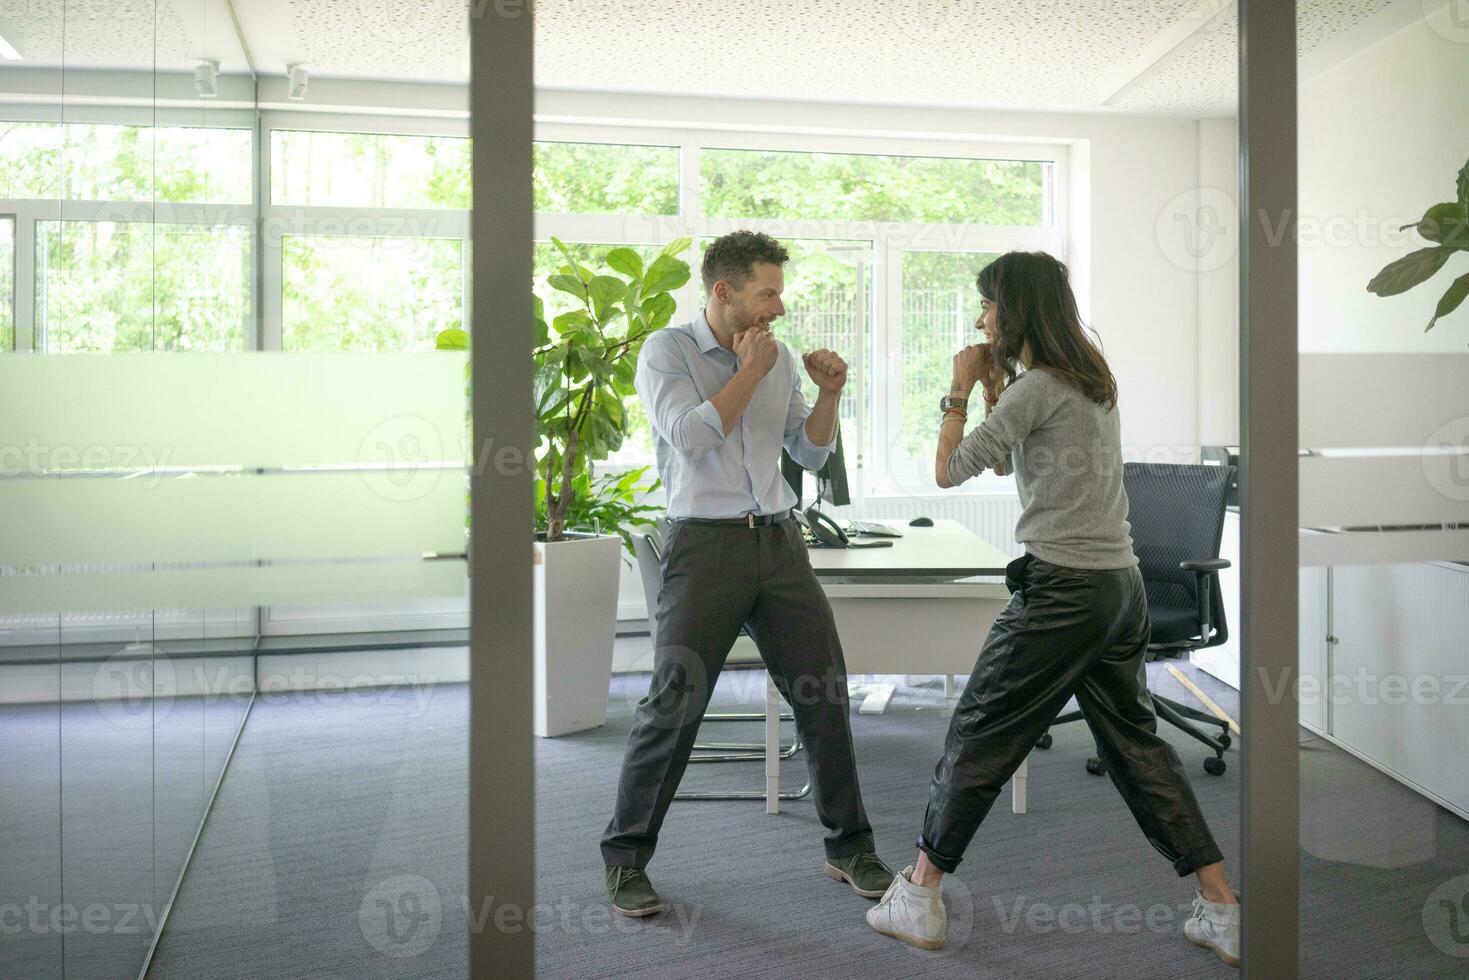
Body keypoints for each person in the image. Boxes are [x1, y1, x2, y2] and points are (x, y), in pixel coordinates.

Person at [864, 251, 1241, 968]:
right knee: (1137, 749)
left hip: (1063, 590)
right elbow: (1006, 459)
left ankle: (918, 896)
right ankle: (1221, 907)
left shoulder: (1036, 386)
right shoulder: (1089, 378)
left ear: (1013, 310)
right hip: (1118, 588)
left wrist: (956, 385)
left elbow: (947, 472)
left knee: (978, 734)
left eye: (986, 305)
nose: (978, 319)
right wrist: (991, 390)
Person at [601, 230, 893, 917]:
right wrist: (750, 373)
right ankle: (625, 860)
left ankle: (848, 847)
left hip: (779, 543)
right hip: (704, 546)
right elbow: (693, 437)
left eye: (779, 293)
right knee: (675, 702)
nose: (779, 308)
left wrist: (828, 394)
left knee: (823, 695)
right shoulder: (665, 352)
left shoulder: (778, 356)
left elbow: (811, 454)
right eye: (767, 293)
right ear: (723, 292)